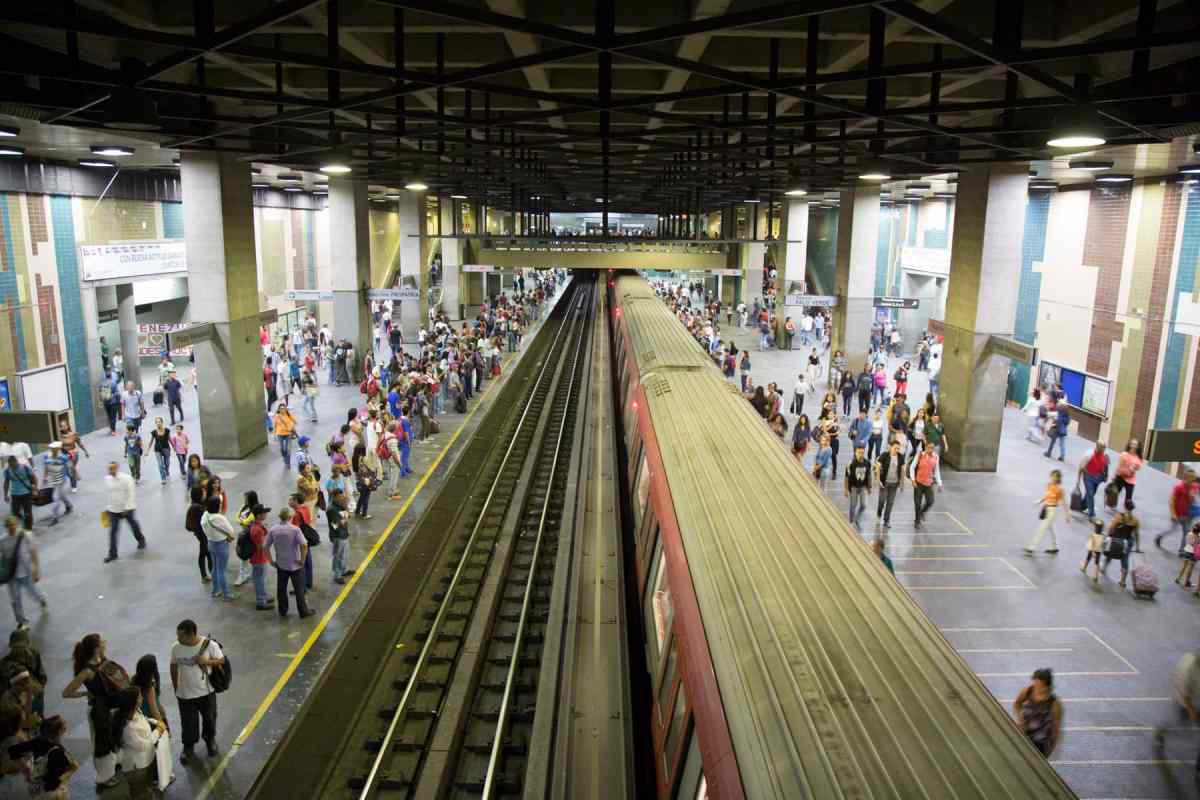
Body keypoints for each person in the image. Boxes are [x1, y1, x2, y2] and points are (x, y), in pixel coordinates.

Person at [62, 633, 128, 787]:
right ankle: (104, 776)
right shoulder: (87, 671)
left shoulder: (102, 660)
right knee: (101, 742)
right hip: (99, 712)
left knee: (114, 737)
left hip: (111, 707)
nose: (105, 643)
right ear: (96, 649)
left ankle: (114, 764)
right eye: (102, 642)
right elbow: (66, 693)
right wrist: (85, 693)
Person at [170, 619, 224, 764]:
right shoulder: (176, 647)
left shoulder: (209, 645)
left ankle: (210, 740)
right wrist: (176, 686)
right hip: (185, 694)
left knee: (209, 718)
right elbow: (173, 666)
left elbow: (221, 660)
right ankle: (188, 746)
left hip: (206, 692)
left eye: (181, 636)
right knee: (187, 722)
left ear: (191, 634)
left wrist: (206, 662)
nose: (178, 638)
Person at [7, 714, 76, 798]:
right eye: (64, 726)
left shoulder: (38, 740)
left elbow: (13, 750)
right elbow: (52, 783)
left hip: (35, 788)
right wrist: (71, 771)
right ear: (59, 731)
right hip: (51, 793)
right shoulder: (58, 752)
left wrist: (26, 768)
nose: (66, 727)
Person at [1155, 651, 1200, 779]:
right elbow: (1185, 694)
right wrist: (1191, 711)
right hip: (1184, 701)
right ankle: (1163, 731)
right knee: (1181, 727)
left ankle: (1198, 768)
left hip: (1196, 698)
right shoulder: (1189, 668)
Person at [266, 508, 313, 618]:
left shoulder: (273, 530)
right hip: (295, 565)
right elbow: (304, 545)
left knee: (281, 589)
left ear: (280, 517)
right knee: (299, 590)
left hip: (281, 564)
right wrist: (302, 560)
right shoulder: (295, 530)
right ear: (290, 517)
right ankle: (303, 611)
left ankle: (283, 610)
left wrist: (271, 561)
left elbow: (265, 546)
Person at [0, 517, 44, 632]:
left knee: (33, 592)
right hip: (12, 575)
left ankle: (41, 599)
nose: (11, 528)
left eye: (13, 525)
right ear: (6, 527)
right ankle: (21, 621)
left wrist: (36, 569)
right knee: (15, 599)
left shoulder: (26, 536)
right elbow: (2, 557)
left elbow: (34, 553)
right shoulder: (3, 540)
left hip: (26, 572)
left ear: (17, 524)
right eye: (9, 526)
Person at [1012, 668, 1062, 758]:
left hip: (1040, 741)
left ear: (1047, 686)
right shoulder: (1028, 691)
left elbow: (1056, 728)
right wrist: (1020, 717)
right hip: (1024, 733)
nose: (1036, 687)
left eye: (1039, 686)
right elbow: (1017, 704)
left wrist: (1052, 747)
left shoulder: (1054, 703)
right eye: (1034, 683)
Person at [104, 461, 146, 563]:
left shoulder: (126, 479)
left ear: (117, 468)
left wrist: (127, 508)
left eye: (112, 468)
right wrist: (108, 508)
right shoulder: (107, 479)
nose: (110, 471)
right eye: (109, 469)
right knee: (113, 531)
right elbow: (110, 494)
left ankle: (141, 540)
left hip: (127, 509)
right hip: (114, 509)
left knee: (133, 525)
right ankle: (113, 554)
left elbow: (131, 494)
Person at [201, 496, 236, 601]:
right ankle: (226, 594)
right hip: (221, 544)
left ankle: (215, 590)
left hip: (210, 542)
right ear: (217, 506)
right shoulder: (219, 517)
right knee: (221, 570)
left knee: (215, 568)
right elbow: (231, 530)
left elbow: (203, 526)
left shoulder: (205, 515)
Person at [1158, 469, 1199, 554]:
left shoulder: (1195, 486)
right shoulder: (1179, 487)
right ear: (1185, 477)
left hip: (1188, 515)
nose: (1191, 479)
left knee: (1187, 532)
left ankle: (1182, 550)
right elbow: (1171, 501)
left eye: (1193, 477)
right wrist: (1173, 514)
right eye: (1189, 477)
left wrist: (1192, 497)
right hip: (1178, 514)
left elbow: (1194, 499)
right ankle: (1160, 536)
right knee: (1172, 529)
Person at [1024, 470, 1064, 556]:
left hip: (1053, 510)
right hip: (1046, 508)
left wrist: (1067, 515)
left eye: (1055, 476)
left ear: (1058, 478)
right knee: (1051, 528)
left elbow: (1063, 502)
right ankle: (1055, 547)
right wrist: (1040, 501)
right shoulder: (1048, 485)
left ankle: (1031, 547)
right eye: (1052, 476)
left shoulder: (1059, 489)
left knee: (1041, 528)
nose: (1053, 478)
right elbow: (1047, 496)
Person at [1100, 503, 1138, 588]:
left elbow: (1111, 527)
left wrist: (1108, 536)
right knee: (1125, 559)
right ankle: (1123, 581)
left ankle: (1103, 568)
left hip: (1117, 539)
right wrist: (1137, 547)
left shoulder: (1119, 516)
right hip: (1127, 542)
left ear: (1125, 507)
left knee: (1110, 553)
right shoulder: (1135, 520)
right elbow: (1136, 534)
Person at [246, 504, 274, 611]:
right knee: (259, 580)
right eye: (264, 513)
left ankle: (264, 596)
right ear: (258, 515)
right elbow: (261, 546)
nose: (266, 514)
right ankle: (261, 602)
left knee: (261, 579)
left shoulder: (255, 525)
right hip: (259, 558)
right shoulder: (257, 530)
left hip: (257, 558)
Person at [875, 439, 907, 529]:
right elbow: (878, 467)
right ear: (890, 447)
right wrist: (878, 480)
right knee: (882, 501)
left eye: (898, 448)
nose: (897, 450)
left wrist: (902, 482)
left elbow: (903, 469)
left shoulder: (900, 457)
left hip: (894, 483)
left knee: (890, 502)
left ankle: (886, 520)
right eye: (895, 448)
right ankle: (879, 514)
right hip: (884, 482)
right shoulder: (884, 455)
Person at [909, 441, 942, 528]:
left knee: (930, 501)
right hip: (918, 483)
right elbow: (912, 467)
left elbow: (936, 471)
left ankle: (922, 512)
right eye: (929, 447)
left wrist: (939, 483)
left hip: (929, 484)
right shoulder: (920, 455)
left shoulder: (936, 457)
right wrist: (913, 480)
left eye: (932, 448)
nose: (930, 449)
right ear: (926, 447)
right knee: (917, 504)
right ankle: (917, 521)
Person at [1075, 441, 1109, 521]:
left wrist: (1105, 476)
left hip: (1097, 476)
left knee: (1091, 493)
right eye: (1102, 447)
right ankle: (1092, 515)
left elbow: (1105, 466)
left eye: (1104, 447)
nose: (1103, 449)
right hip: (1088, 476)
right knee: (1090, 494)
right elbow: (1081, 467)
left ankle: (1081, 506)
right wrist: (1078, 481)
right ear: (1097, 446)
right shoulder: (1089, 454)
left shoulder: (1104, 455)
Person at [844, 445, 872, 530]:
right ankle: (851, 521)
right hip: (854, 487)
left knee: (863, 505)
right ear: (855, 453)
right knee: (853, 505)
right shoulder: (851, 463)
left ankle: (857, 518)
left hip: (863, 486)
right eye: (859, 452)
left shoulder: (867, 463)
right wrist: (846, 489)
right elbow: (846, 477)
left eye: (862, 453)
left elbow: (869, 475)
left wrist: (869, 487)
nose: (861, 454)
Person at [328, 491, 354, 584]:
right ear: (334, 497)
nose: (342, 498)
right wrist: (344, 518)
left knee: (344, 554)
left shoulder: (340, 506)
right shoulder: (332, 509)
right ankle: (337, 575)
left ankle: (343, 570)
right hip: (337, 536)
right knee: (337, 556)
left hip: (344, 534)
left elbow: (348, 516)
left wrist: (346, 507)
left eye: (342, 496)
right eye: (340, 497)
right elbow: (335, 525)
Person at [1109, 439, 1142, 509]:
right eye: (1132, 444)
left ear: (1138, 447)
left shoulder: (1138, 458)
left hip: (1131, 480)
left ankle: (1127, 511)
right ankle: (1112, 504)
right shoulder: (1124, 454)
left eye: (1135, 444)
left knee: (1128, 499)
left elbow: (1138, 467)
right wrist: (1114, 476)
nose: (1133, 446)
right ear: (1129, 444)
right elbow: (1119, 466)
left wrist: (1134, 468)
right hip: (1121, 477)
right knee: (1114, 492)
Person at [149, 417, 173, 485]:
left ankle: (167, 471)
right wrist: (147, 450)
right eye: (156, 422)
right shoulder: (154, 432)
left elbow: (170, 439)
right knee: (160, 465)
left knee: (167, 463)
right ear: (155, 423)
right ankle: (163, 478)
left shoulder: (167, 430)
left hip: (166, 448)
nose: (158, 423)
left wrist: (174, 447)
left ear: (162, 422)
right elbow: (151, 441)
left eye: (159, 422)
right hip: (157, 450)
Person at [273, 401, 296, 469]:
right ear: (279, 409)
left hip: (288, 434)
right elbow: (275, 425)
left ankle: (287, 463)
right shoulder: (277, 416)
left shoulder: (288, 414)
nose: (282, 409)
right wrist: (274, 435)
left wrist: (291, 426)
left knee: (288, 449)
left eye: (284, 408)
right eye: (281, 408)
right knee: (282, 449)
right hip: (280, 434)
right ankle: (285, 458)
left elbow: (295, 421)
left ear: (286, 409)